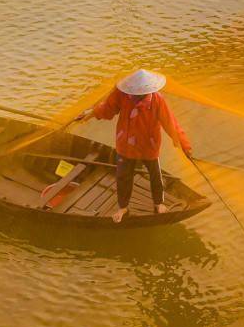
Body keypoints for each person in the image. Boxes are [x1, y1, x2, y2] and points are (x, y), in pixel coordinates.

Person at [78, 69, 192, 223]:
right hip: (126, 145)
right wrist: (91, 113)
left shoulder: (157, 100)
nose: (137, 95)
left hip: (148, 144)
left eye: (141, 93)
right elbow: (107, 108)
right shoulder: (122, 95)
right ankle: (123, 207)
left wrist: (185, 146)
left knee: (155, 174)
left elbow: (171, 123)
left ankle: (158, 203)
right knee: (123, 176)